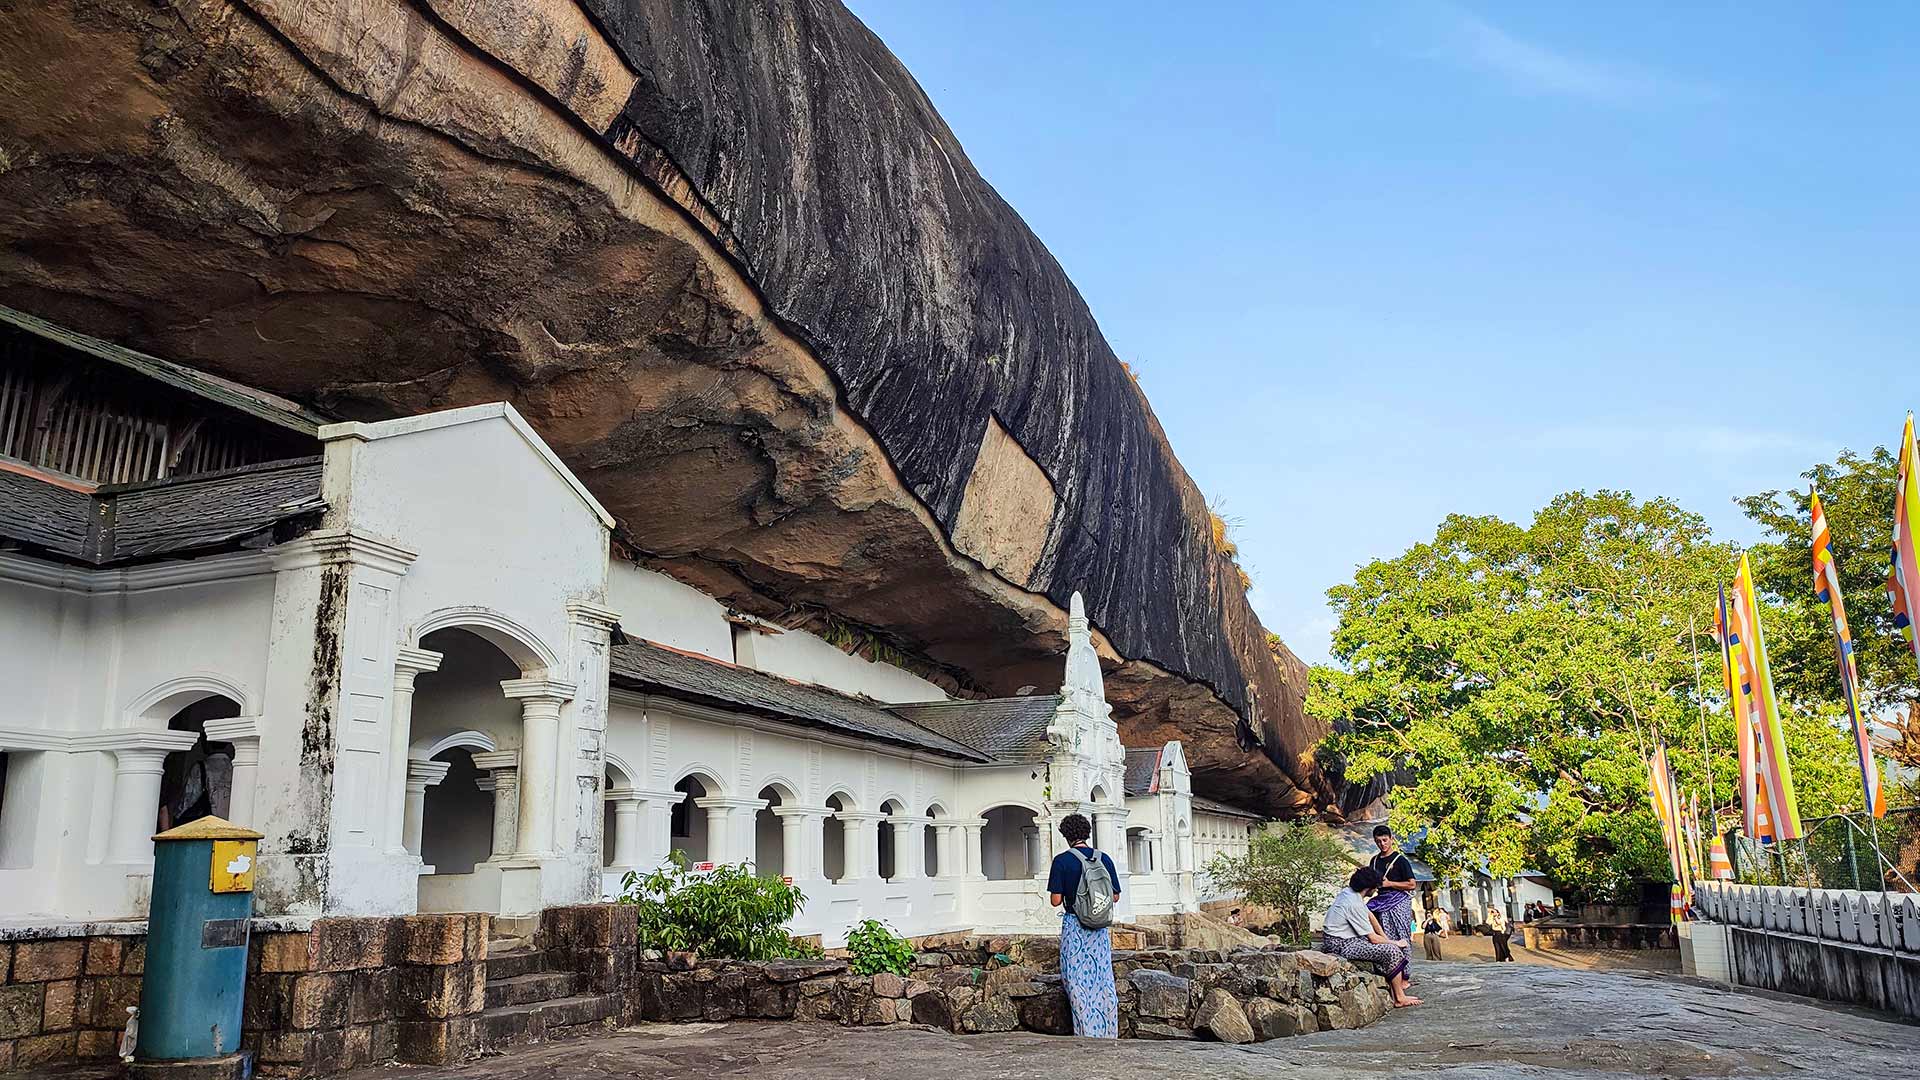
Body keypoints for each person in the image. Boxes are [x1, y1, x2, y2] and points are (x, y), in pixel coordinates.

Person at [1046, 812, 1121, 1038]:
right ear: (1087, 833)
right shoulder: (1103, 858)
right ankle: (1108, 1031)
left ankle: (1086, 1032)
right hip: (1099, 928)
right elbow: (1115, 896)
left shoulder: (1062, 861)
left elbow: (1055, 901)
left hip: (1075, 926)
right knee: (1102, 978)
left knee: (1077, 981)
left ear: (1065, 835)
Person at [1321, 866, 1420, 1007]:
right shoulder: (1353, 903)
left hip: (1343, 938)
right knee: (1392, 951)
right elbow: (1373, 938)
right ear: (1370, 888)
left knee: (1391, 945)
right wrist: (1394, 943)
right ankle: (1399, 997)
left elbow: (1369, 915)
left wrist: (1386, 937)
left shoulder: (1349, 893)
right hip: (1340, 943)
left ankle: (1396, 989)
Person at [1367, 825, 1419, 973]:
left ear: (1391, 839)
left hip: (1399, 901)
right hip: (1380, 900)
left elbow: (1412, 884)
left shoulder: (1400, 860)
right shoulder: (1374, 860)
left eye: (1385, 840)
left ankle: (1405, 973)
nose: (1382, 844)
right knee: (1382, 934)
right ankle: (1388, 970)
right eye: (1378, 841)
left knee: (1401, 935)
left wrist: (1390, 883)